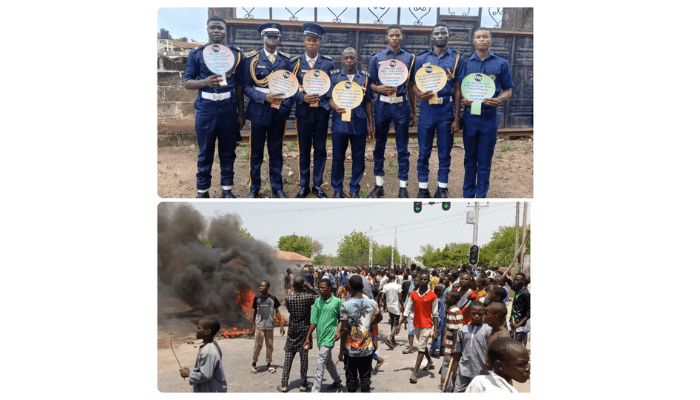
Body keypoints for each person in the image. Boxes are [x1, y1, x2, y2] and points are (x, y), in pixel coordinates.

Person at [183, 16, 245, 199]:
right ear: (207, 30)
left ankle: (227, 189)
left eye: (220, 28)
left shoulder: (235, 54)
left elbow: (239, 85)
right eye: (213, 28)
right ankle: (203, 191)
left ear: (226, 31)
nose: (217, 31)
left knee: (228, 150)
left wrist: (241, 113)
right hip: (206, 107)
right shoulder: (197, 53)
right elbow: (187, 83)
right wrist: (204, 82)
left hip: (228, 106)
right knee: (205, 151)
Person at [455, 27, 514, 198]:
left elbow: (508, 90)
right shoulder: (465, 63)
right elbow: (459, 88)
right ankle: (467, 194)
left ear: (491, 40)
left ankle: (481, 196)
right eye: (478, 37)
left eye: (485, 37)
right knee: (469, 158)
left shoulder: (501, 63)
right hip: (470, 117)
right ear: (473, 41)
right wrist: (465, 99)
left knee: (485, 160)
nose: (482, 40)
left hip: (489, 117)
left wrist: (498, 99)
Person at [243, 22, 297, 198]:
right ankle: (254, 188)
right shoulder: (252, 59)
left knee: (276, 151)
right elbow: (246, 86)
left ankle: (277, 187)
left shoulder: (286, 61)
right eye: (269, 37)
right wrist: (263, 97)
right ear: (263, 38)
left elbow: (292, 87)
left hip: (278, 112)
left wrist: (285, 108)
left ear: (278, 39)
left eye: (275, 37)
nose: (272, 40)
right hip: (259, 110)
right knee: (256, 151)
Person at [412, 23, 464, 198]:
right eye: (437, 33)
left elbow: (458, 89)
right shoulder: (421, 59)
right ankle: (423, 188)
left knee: (444, 151)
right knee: (424, 150)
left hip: (446, 109)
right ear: (432, 36)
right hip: (427, 109)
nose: (440, 35)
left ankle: (442, 188)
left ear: (449, 35)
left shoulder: (457, 59)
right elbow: (412, 84)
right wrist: (419, 94)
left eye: (444, 33)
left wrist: (457, 117)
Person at [367, 25, 416, 198]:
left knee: (402, 147)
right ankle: (379, 185)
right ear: (386, 37)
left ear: (402, 37)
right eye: (391, 35)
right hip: (382, 105)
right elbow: (370, 84)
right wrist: (379, 88)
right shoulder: (377, 58)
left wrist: (413, 109)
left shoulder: (409, 57)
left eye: (398, 35)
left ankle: (403, 187)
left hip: (401, 105)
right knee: (379, 145)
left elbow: (411, 85)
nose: (395, 38)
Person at [291, 23, 335, 198]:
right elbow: (289, 88)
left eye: (315, 40)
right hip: (303, 113)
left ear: (320, 42)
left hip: (321, 114)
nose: (312, 43)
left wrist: (325, 101)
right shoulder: (295, 63)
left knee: (320, 149)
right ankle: (304, 185)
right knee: (303, 150)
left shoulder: (328, 63)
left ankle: (317, 184)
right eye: (308, 40)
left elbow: (333, 87)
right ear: (303, 41)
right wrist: (302, 98)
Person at [326, 47, 375, 198]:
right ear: (341, 59)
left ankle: (354, 189)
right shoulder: (334, 77)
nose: (348, 61)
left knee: (358, 158)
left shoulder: (365, 78)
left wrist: (371, 124)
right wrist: (334, 105)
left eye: (352, 58)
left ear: (357, 60)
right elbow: (329, 97)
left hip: (358, 123)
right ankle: (338, 189)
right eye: (346, 58)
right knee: (338, 158)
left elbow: (368, 102)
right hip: (340, 123)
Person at [338, 275, 383, 392]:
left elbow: (344, 329)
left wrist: (341, 351)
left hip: (350, 349)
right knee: (365, 378)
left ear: (351, 288)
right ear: (362, 287)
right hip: (366, 348)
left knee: (351, 379)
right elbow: (379, 317)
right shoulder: (372, 302)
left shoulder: (345, 305)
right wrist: (368, 325)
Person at [395, 272, 439, 384]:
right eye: (421, 279)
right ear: (418, 280)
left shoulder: (433, 296)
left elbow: (435, 314)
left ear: (429, 281)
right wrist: (400, 324)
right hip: (416, 324)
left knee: (420, 347)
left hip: (427, 325)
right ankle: (429, 361)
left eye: (425, 279)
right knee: (422, 345)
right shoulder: (413, 294)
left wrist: (435, 330)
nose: (423, 281)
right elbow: (407, 310)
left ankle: (415, 373)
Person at [278, 278, 318, 392]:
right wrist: (310, 287)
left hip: (292, 332)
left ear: (293, 286)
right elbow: (320, 296)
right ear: (303, 285)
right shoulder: (308, 297)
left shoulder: (289, 299)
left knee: (288, 358)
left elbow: (290, 311)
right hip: (305, 332)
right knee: (304, 360)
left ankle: (284, 384)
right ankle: (303, 384)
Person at [304, 279, 343, 392]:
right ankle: (337, 381)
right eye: (319, 287)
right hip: (320, 336)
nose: (320, 289)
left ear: (329, 288)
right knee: (328, 361)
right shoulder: (317, 302)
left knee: (321, 362)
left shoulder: (337, 302)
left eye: (323, 287)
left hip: (330, 337)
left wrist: (338, 331)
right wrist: (308, 337)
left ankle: (315, 391)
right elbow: (314, 321)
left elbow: (341, 318)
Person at [450, 301, 492, 392]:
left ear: (483, 314)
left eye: (479, 314)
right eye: (474, 313)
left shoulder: (488, 331)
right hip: (463, 370)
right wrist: (455, 369)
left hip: (480, 371)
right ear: (469, 313)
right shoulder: (462, 330)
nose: (476, 316)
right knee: (458, 391)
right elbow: (458, 352)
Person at [179, 316, 227, 392]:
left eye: (199, 328)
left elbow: (205, 375)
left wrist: (189, 374)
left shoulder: (208, 351)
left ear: (207, 331)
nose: (196, 330)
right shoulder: (213, 345)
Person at [465, 337, 530, 392]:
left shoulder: (478, 382)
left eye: (528, 362)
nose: (528, 368)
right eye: (521, 364)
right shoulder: (482, 385)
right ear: (499, 366)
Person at [251, 280, 285, 374]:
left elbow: (277, 311)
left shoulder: (273, 298)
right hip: (259, 326)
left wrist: (281, 325)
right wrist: (253, 325)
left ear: (268, 287)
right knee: (257, 346)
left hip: (269, 326)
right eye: (260, 286)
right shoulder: (257, 298)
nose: (260, 287)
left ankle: (269, 364)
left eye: (262, 286)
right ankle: (254, 364)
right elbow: (254, 312)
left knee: (270, 346)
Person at [439, 291, 463, 392]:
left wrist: (453, 346)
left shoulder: (453, 311)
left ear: (453, 299)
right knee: (448, 364)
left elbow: (455, 329)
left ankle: (445, 385)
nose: (446, 298)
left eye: (447, 297)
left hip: (451, 343)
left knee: (447, 364)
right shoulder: (452, 310)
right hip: (450, 342)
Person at [500, 272, 530, 346]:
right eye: (515, 280)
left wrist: (518, 324)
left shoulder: (525, 294)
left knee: (517, 346)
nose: (515, 281)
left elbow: (529, 311)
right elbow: (512, 285)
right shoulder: (518, 290)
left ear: (523, 281)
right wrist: (507, 279)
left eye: (518, 280)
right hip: (513, 324)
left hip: (520, 326)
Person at [379, 272, 403, 348]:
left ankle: (392, 339)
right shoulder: (398, 286)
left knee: (392, 322)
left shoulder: (385, 286)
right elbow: (399, 298)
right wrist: (402, 305)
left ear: (388, 279)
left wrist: (385, 305)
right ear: (395, 279)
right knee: (395, 323)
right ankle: (390, 337)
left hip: (389, 306)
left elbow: (382, 297)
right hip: (396, 306)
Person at [429, 285, 446, 357]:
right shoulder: (437, 300)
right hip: (439, 320)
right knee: (437, 335)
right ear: (438, 292)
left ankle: (442, 350)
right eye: (442, 292)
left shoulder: (439, 299)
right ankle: (432, 350)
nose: (443, 293)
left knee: (443, 334)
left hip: (443, 319)